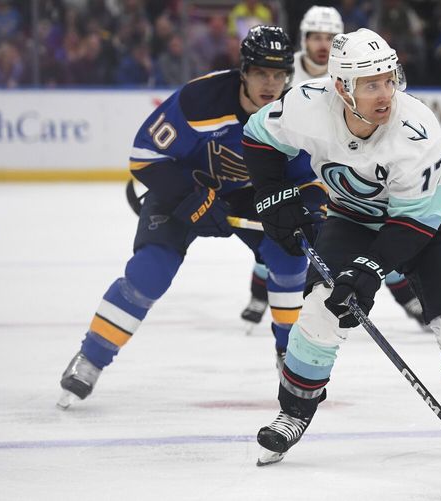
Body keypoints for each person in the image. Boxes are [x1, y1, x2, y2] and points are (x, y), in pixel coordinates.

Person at [242, 28, 441, 465]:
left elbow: (413, 221)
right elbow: (258, 135)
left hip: (430, 225)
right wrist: (272, 194)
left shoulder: (416, 132)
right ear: (341, 87)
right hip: (353, 219)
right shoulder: (307, 104)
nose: (385, 94)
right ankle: (294, 411)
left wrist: (368, 271)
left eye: (389, 80)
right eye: (371, 84)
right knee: (321, 312)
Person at [57, 26, 325, 409]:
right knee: (149, 273)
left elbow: (311, 178)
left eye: (279, 74)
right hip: (184, 187)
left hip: (252, 195)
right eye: (261, 73)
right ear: (243, 72)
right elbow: (145, 157)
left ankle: (291, 360)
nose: (271, 83)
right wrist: (191, 199)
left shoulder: (295, 115)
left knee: (290, 257)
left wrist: (308, 211)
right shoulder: (201, 100)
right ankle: (91, 358)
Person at [240, 5, 428, 331]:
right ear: (304, 38)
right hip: (302, 170)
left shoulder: (358, 67)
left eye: (329, 37)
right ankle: (260, 294)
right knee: (281, 234)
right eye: (315, 37)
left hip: (346, 170)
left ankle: (406, 295)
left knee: (378, 231)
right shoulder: (287, 72)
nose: (322, 44)